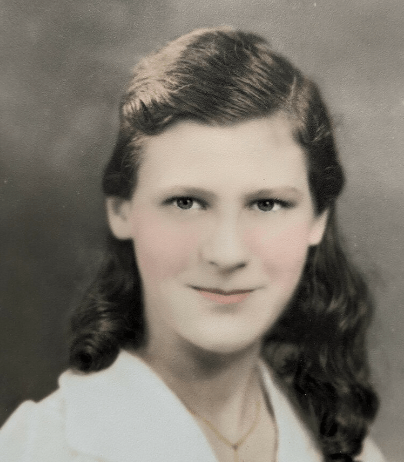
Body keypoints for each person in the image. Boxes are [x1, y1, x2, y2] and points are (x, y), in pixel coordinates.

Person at [0, 27, 385, 462]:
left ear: (318, 220)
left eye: (267, 204)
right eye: (186, 202)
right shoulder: (43, 449)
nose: (226, 253)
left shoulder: (349, 450)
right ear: (122, 211)